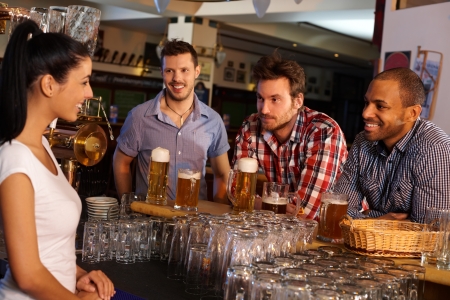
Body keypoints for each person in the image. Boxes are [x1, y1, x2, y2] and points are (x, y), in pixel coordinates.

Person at [0, 21, 114, 300]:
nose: (89, 93)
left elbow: (49, 252)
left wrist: (79, 275)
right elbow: (27, 274)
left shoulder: (40, 144)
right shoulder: (14, 158)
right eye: (84, 81)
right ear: (49, 84)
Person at [232, 51, 348, 219]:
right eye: (260, 98)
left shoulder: (323, 131)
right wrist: (264, 204)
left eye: (275, 100)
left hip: (337, 229)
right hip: (283, 230)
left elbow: (304, 212)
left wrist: (258, 203)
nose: (264, 109)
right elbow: (236, 191)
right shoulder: (251, 126)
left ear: (298, 101)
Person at [113, 39, 230, 203]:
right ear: (161, 72)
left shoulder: (213, 120)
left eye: (184, 70)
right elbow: (121, 163)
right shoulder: (140, 116)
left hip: (193, 220)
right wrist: (127, 207)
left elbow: (222, 174)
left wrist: (218, 216)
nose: (177, 78)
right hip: (150, 219)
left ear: (197, 71)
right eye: (170, 70)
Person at [333, 67, 450, 223]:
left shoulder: (433, 148)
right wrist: (380, 222)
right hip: (369, 245)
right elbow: (340, 213)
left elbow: (431, 230)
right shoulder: (363, 142)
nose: (365, 113)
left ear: (412, 113)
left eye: (380, 106)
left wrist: (368, 216)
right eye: (366, 102)